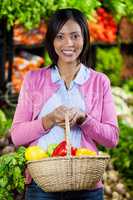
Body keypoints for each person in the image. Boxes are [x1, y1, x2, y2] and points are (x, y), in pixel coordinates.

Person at [11, 8, 119, 200]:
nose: (68, 43)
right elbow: (17, 136)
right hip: (41, 185)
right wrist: (49, 119)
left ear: (85, 38)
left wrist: (84, 119)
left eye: (75, 36)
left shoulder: (99, 81)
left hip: (87, 185)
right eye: (60, 36)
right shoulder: (34, 79)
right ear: (51, 41)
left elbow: (111, 139)